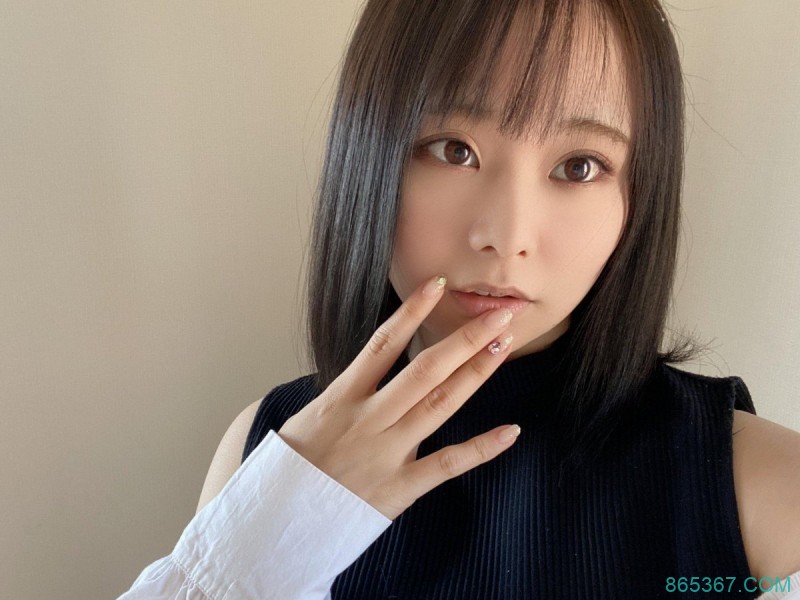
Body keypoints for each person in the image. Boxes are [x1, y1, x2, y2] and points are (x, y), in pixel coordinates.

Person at [119, 0, 800, 598]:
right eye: (453, 150)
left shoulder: (756, 482)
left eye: (579, 166)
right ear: (368, 155)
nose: (506, 237)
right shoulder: (271, 445)